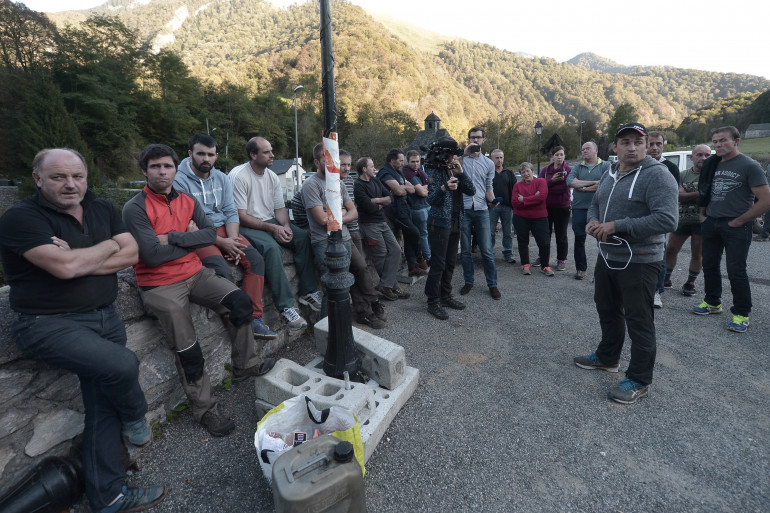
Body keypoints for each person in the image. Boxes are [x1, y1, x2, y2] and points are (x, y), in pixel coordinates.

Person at [0, 148, 168, 513]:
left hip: (105, 317)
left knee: (102, 409)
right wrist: (108, 245)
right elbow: (65, 268)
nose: (70, 184)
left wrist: (79, 256)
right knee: (123, 365)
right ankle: (136, 416)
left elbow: (132, 254)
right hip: (49, 324)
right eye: (58, 177)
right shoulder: (21, 217)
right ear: (38, 179)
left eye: (77, 176)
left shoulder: (101, 207)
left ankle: (108, 497)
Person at [124, 144, 276, 437]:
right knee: (188, 348)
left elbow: (208, 235)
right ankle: (205, 409)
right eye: (155, 167)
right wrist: (189, 239)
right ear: (144, 171)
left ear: (175, 168)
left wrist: (171, 238)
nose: (162, 172)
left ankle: (245, 364)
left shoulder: (187, 200)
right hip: (159, 284)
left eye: (167, 166)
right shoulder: (135, 207)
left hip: (195, 273)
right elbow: (152, 256)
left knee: (240, 302)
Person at [574, 123, 678, 405]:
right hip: (609, 256)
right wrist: (593, 221)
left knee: (639, 320)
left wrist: (616, 225)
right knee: (607, 308)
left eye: (638, 142)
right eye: (625, 142)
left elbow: (667, 219)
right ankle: (608, 358)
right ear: (615, 147)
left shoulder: (658, 175)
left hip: (641, 260)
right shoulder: (609, 172)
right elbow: (596, 203)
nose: (632, 148)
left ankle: (640, 380)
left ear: (646, 146)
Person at [173, 133, 276, 339]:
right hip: (199, 233)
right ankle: (238, 323)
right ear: (190, 154)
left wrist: (233, 240)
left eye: (210, 155)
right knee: (221, 270)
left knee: (255, 260)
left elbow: (230, 210)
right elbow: (188, 221)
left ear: (216, 156)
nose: (206, 159)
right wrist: (221, 242)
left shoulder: (221, 177)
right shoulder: (178, 181)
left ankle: (254, 318)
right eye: (201, 154)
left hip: (225, 229)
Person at [229, 136, 321, 334]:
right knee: (271, 248)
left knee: (302, 237)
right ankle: (286, 307)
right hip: (246, 223)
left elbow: (280, 209)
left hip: (268, 220)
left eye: (271, 150)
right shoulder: (239, 176)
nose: (272, 155)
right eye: (266, 152)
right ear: (253, 155)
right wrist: (273, 229)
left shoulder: (271, 176)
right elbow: (240, 216)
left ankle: (308, 291)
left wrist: (286, 227)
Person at [692, 126, 770, 332]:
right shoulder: (712, 163)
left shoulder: (749, 166)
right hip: (711, 222)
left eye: (723, 140)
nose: (718, 145)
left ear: (736, 141)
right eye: (715, 141)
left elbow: (766, 200)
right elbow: (705, 190)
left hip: (737, 226)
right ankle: (712, 302)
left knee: (736, 270)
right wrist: (703, 214)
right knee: (709, 264)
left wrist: (740, 220)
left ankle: (741, 313)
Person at [302, 144, 386, 328]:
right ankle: (328, 330)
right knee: (332, 286)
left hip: (345, 237)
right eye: (326, 159)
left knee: (359, 270)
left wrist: (336, 215)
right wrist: (341, 213)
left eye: (333, 159)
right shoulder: (311, 185)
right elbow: (322, 220)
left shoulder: (338, 183)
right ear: (317, 162)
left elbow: (353, 212)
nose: (332, 163)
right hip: (324, 241)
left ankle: (367, 308)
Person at [423, 137, 476, 320]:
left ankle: (445, 296)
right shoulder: (433, 171)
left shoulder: (454, 169)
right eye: (452, 155)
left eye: (455, 155)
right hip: (438, 223)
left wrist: (461, 173)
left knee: (450, 262)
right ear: (445, 155)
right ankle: (433, 301)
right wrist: (444, 188)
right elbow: (431, 199)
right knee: (438, 264)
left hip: (455, 222)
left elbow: (471, 191)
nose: (454, 158)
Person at [353, 156, 410, 301]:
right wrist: (380, 203)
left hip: (382, 222)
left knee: (395, 249)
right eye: (372, 166)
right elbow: (369, 208)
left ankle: (385, 285)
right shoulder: (358, 185)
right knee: (380, 256)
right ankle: (392, 287)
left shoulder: (376, 181)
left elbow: (390, 198)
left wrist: (377, 200)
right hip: (369, 225)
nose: (374, 169)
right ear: (364, 169)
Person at [663, 144, 711, 296]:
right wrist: (701, 193)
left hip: (701, 222)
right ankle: (666, 279)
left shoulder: (713, 175)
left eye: (707, 155)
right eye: (699, 155)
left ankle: (690, 283)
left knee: (697, 254)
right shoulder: (682, 174)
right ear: (692, 157)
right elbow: (678, 196)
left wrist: (688, 194)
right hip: (682, 219)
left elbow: (710, 198)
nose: (703, 158)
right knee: (671, 250)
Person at [459, 126, 500, 299]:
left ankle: (492, 284)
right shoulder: (461, 160)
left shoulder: (489, 163)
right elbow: (450, 169)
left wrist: (493, 201)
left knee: (487, 250)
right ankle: (469, 281)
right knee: (465, 250)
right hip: (464, 208)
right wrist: (463, 154)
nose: (475, 140)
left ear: (483, 140)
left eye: (478, 137)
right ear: (468, 139)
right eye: (472, 137)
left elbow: (488, 188)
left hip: (482, 209)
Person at [377, 148, 425, 276]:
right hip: (394, 212)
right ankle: (420, 257)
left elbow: (412, 189)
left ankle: (413, 267)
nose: (403, 163)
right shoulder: (385, 172)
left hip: (404, 208)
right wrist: (403, 188)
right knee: (415, 233)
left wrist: (402, 187)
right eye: (401, 161)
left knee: (409, 237)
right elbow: (398, 191)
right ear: (392, 160)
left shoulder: (398, 172)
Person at [647, 131, 681, 309]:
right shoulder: (638, 165)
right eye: (651, 144)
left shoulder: (670, 167)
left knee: (659, 255)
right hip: (639, 216)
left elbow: (673, 196)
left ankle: (657, 291)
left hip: (658, 218)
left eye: (658, 144)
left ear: (663, 145)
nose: (654, 148)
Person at [567, 141, 610, 280]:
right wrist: (594, 183)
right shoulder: (577, 166)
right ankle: (581, 268)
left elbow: (606, 184)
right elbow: (570, 182)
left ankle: (605, 270)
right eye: (583, 149)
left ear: (596, 150)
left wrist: (582, 187)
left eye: (587, 148)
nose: (584, 151)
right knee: (579, 239)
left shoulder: (606, 166)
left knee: (603, 239)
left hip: (599, 208)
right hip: (579, 208)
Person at [511, 162, 552, 276]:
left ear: (532, 171)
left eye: (527, 171)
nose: (525, 174)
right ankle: (525, 264)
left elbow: (542, 197)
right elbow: (514, 203)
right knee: (523, 241)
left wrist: (524, 199)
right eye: (523, 172)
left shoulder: (541, 182)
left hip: (540, 217)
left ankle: (545, 266)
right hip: (521, 218)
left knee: (544, 242)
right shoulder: (517, 185)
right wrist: (534, 197)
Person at [538, 146, 572, 271]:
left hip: (563, 207)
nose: (559, 157)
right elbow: (540, 186)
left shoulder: (568, 170)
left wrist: (550, 187)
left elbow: (564, 188)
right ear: (553, 156)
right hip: (546, 207)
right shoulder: (545, 170)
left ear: (564, 156)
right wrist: (552, 181)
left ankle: (561, 259)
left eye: (561, 154)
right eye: (557, 154)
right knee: (544, 234)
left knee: (561, 235)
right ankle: (542, 256)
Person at [403, 149, 431, 267]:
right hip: (418, 208)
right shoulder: (409, 174)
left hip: (426, 205)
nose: (415, 164)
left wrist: (424, 187)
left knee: (429, 233)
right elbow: (423, 193)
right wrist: (426, 188)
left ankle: (429, 256)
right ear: (408, 161)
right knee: (423, 234)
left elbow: (431, 184)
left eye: (417, 161)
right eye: (413, 162)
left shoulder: (420, 172)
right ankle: (428, 258)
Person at [489, 149, 517, 264]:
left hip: (507, 206)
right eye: (496, 158)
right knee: (490, 232)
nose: (499, 160)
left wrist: (514, 204)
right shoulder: (488, 172)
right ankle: (489, 254)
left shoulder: (509, 173)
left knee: (508, 232)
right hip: (492, 206)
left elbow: (515, 189)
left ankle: (508, 254)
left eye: (501, 157)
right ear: (492, 159)